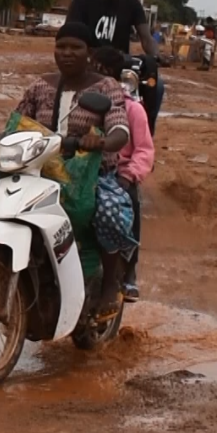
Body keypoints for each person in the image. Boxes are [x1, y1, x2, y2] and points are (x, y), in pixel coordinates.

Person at [0, 22, 136, 320]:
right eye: (61, 47)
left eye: (75, 47)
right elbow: (16, 124)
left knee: (109, 212)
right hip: (37, 172)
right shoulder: (40, 86)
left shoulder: (106, 87)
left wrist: (100, 141)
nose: (67, 53)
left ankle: (110, 285)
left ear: (89, 52)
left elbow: (120, 129)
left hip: (89, 175)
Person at [67, 0, 161, 131]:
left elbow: (146, 37)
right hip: (89, 61)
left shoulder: (132, 5)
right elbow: (71, 34)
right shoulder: (82, 3)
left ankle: (146, 132)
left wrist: (155, 55)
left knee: (156, 86)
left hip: (121, 63)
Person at [93, 47, 155, 302]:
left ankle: (128, 270)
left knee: (129, 201)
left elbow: (144, 151)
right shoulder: (80, 102)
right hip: (85, 170)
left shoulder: (133, 110)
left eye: (96, 68)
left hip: (120, 172)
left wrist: (128, 176)